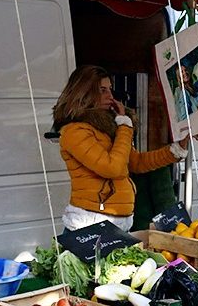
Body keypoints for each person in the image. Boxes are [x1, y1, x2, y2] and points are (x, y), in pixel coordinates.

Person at [52, 65, 188, 232]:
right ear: (85, 93)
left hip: (117, 222)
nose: (110, 95)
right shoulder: (74, 132)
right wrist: (124, 125)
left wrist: (176, 149)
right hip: (91, 223)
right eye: (102, 90)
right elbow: (112, 168)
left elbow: (135, 162)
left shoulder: (107, 128)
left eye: (110, 89)